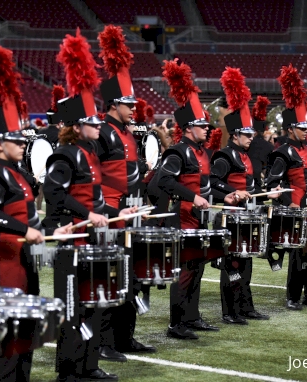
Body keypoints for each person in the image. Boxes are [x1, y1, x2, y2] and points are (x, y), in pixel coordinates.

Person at [45, 29, 133, 382]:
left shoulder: (90, 152)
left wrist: (115, 214)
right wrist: (89, 216)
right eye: (93, 122)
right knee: (72, 306)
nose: (99, 126)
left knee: (93, 302)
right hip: (70, 239)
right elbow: (57, 196)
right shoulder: (63, 156)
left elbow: (94, 200)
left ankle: (89, 364)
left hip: (91, 238)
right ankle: (68, 370)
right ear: (79, 126)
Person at [158, 59, 240, 339]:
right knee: (183, 273)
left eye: (207, 125)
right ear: (188, 128)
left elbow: (206, 184)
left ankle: (192, 317)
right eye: (202, 125)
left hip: (200, 219)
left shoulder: (202, 153)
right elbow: (164, 181)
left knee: (196, 269)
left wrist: (225, 194)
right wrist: (192, 197)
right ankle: (176, 324)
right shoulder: (177, 152)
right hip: (182, 219)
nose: (208, 129)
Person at [94, 25, 154, 362]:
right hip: (111, 217)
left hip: (132, 213)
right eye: (128, 103)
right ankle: (103, 342)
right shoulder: (102, 133)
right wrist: (108, 211)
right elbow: (93, 178)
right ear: (114, 103)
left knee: (131, 280)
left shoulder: (128, 133)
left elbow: (133, 175)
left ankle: (125, 337)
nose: (134, 107)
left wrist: (141, 202)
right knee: (109, 278)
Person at [266, 64, 307, 310]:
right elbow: (272, 185)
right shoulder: (281, 153)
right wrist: (290, 204)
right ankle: (293, 296)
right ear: (289, 129)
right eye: (301, 128)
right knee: (298, 254)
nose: (306, 132)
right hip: (296, 210)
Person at [211, 68, 269, 324]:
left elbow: (250, 189)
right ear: (235, 135)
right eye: (247, 134)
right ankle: (229, 311)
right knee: (232, 264)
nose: (251, 137)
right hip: (231, 218)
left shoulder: (245, 156)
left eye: (252, 134)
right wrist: (231, 193)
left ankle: (246, 306)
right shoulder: (224, 156)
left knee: (246, 262)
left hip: (247, 216)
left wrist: (268, 194)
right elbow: (212, 184)